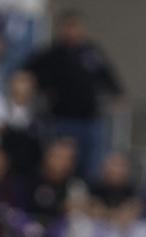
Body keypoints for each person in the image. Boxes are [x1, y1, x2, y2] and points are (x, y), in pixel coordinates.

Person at [25, 10, 123, 178]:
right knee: (63, 164)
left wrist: (117, 93)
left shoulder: (91, 52)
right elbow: (28, 73)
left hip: (90, 119)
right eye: (68, 27)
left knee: (92, 163)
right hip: (63, 119)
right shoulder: (51, 55)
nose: (72, 31)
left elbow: (106, 74)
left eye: (75, 26)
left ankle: (88, 194)